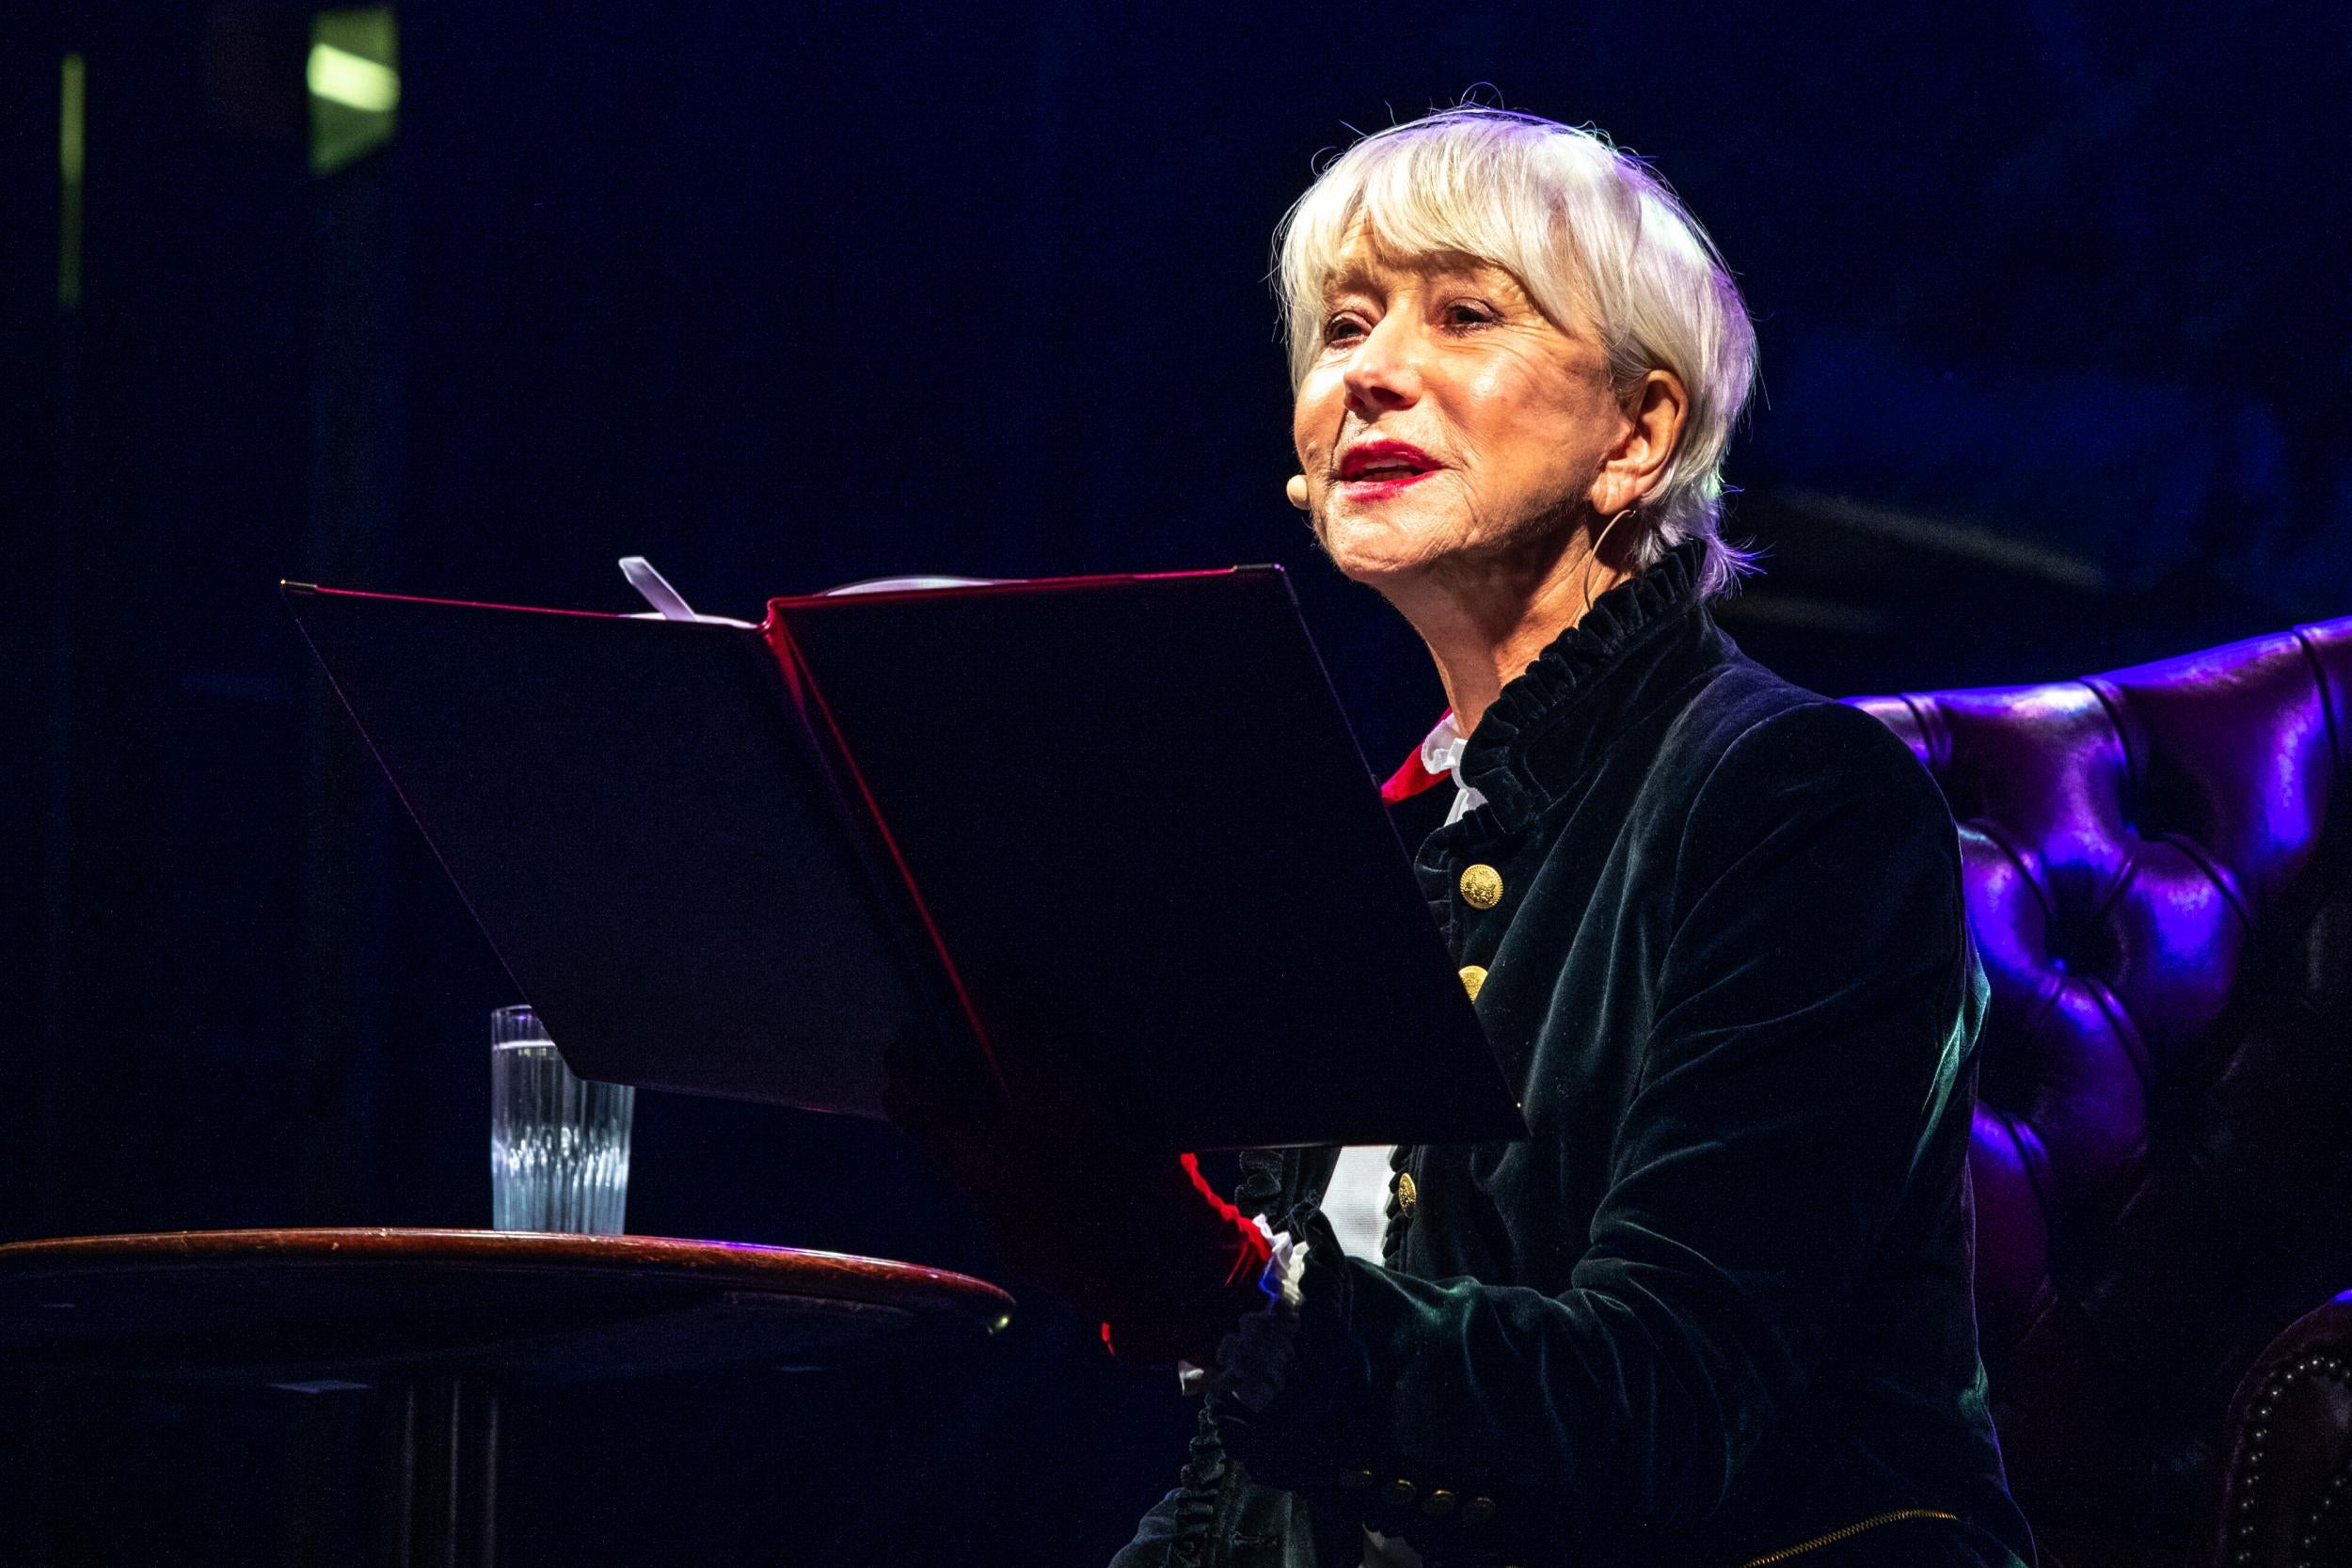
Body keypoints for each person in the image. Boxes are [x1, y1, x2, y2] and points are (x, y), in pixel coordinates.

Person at [886, 106, 2038, 1568]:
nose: (1369, 373)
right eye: (1343, 327)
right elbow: (1251, 1484)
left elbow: (1662, 1408)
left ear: (1639, 433)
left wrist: (1223, 1293)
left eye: (1464, 314)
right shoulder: (1374, 847)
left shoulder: (1799, 800)